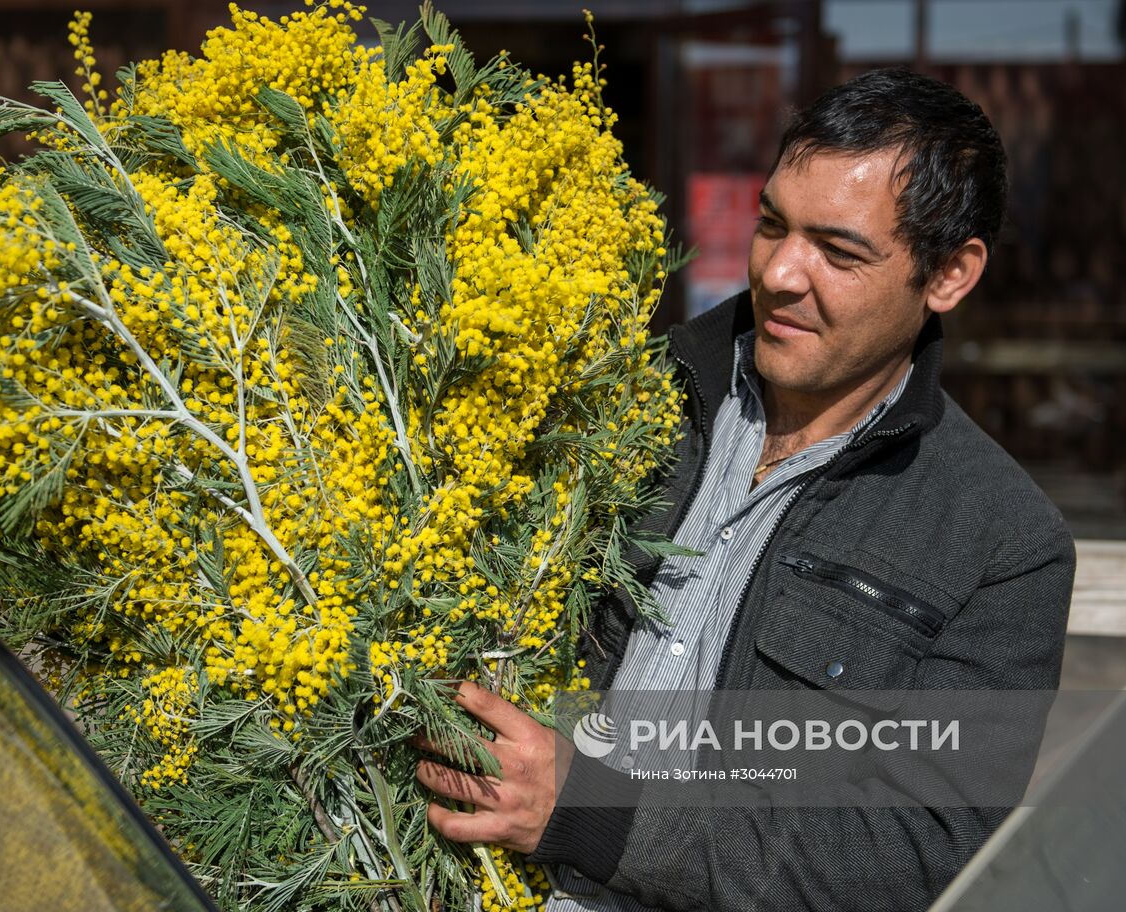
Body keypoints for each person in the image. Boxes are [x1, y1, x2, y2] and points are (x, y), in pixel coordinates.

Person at [415, 67, 1076, 911]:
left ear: (949, 276)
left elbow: (915, 850)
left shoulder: (1003, 542)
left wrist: (591, 811)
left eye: (838, 251)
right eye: (772, 225)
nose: (781, 273)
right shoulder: (620, 399)